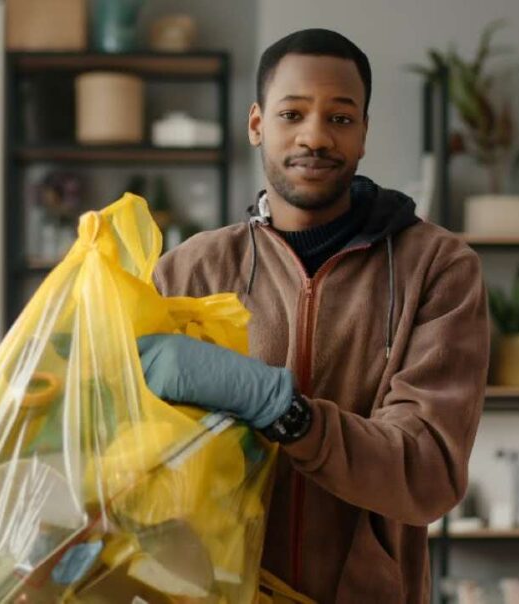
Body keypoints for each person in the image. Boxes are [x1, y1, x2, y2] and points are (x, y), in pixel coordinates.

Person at [137, 28, 489, 603]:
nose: (315, 137)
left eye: (341, 118)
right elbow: (119, 449)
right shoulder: (190, 271)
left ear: (365, 133)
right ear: (257, 124)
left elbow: (427, 473)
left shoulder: (439, 268)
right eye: (292, 113)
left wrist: (289, 417)